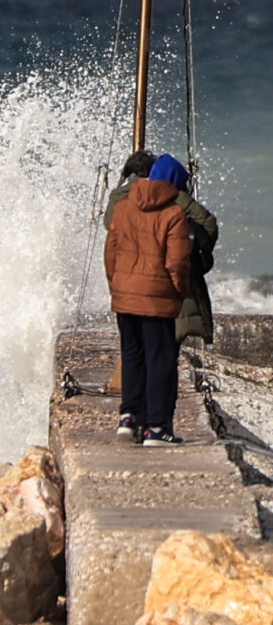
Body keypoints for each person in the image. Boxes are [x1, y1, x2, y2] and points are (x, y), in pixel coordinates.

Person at [105, 152, 192, 446]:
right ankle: (156, 427)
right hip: (157, 300)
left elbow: (111, 253)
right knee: (160, 360)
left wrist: (116, 285)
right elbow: (177, 264)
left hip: (125, 294)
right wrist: (178, 293)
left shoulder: (123, 207)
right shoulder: (174, 214)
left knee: (132, 355)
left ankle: (128, 418)